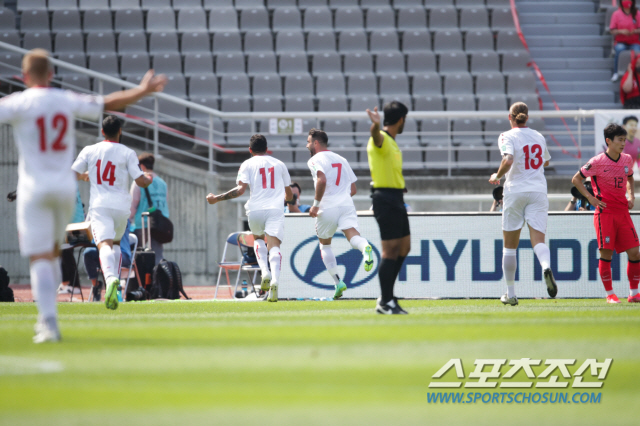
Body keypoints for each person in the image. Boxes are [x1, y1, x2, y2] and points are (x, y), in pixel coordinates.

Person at [0, 49, 166, 342]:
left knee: (42, 256)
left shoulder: (18, 103)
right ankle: (109, 283)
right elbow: (109, 101)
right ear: (51, 74)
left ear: (24, 77)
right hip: (65, 191)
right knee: (60, 250)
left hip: (35, 186)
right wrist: (142, 90)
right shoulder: (64, 99)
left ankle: (48, 323)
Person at [72, 115, 154, 310]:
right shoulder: (128, 152)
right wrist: (148, 179)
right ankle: (116, 289)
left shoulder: (90, 150)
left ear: (102, 132)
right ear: (120, 131)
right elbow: (140, 181)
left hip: (101, 206)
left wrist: (86, 176)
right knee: (116, 243)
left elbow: (72, 174)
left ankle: (110, 281)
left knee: (104, 245)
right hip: (121, 208)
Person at [206, 134, 293, 302]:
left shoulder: (247, 164)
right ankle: (275, 279)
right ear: (267, 148)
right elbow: (288, 194)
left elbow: (240, 190)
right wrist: (284, 198)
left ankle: (264, 272)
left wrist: (216, 198)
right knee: (274, 245)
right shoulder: (279, 164)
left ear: (250, 150)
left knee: (259, 239)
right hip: (275, 209)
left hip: (255, 210)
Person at [489, 102, 557, 306]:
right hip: (537, 190)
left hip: (515, 190)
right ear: (527, 117)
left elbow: (508, 159)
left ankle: (510, 294)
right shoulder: (538, 136)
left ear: (510, 117)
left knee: (510, 247)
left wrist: (497, 175)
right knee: (538, 240)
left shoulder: (506, 136)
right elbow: (545, 161)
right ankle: (545, 266)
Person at [571, 123, 640, 304]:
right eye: (620, 140)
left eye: (625, 140)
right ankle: (610, 294)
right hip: (605, 213)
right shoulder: (596, 162)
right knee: (606, 254)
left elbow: (631, 177)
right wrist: (591, 198)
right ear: (608, 141)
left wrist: (631, 195)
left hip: (623, 212)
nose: (623, 144)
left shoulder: (626, 159)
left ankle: (634, 293)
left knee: (635, 253)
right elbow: (576, 179)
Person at [305, 128, 374, 299]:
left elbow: (322, 180)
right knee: (353, 237)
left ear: (315, 142)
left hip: (326, 207)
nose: (307, 145)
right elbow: (353, 189)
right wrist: (340, 198)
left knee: (325, 245)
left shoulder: (315, 159)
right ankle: (365, 247)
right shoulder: (342, 159)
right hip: (346, 204)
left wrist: (315, 205)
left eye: (308, 142)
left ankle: (338, 283)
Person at [366, 101, 410, 315]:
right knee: (390, 250)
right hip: (385, 199)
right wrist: (375, 126)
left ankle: (388, 297)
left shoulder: (392, 142)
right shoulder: (381, 138)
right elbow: (376, 137)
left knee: (404, 247)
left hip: (396, 197)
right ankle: (385, 301)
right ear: (401, 119)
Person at [129, 152, 169, 265]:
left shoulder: (138, 183)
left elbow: (132, 204)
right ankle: (158, 279)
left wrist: (128, 219)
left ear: (142, 166)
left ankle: (141, 281)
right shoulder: (162, 183)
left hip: (143, 223)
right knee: (158, 255)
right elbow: (165, 201)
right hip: (160, 224)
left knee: (139, 255)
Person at [83, 220, 132, 302]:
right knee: (88, 253)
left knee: (112, 254)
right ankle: (96, 286)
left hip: (122, 253)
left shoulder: (121, 214)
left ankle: (116, 289)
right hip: (102, 252)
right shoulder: (99, 217)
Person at [610, 0, 640, 82]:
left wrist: (635, 31)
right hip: (620, 41)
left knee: (637, 51)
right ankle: (616, 72)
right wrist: (621, 31)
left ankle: (636, 74)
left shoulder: (637, 13)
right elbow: (612, 30)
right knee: (619, 49)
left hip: (634, 41)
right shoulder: (616, 14)